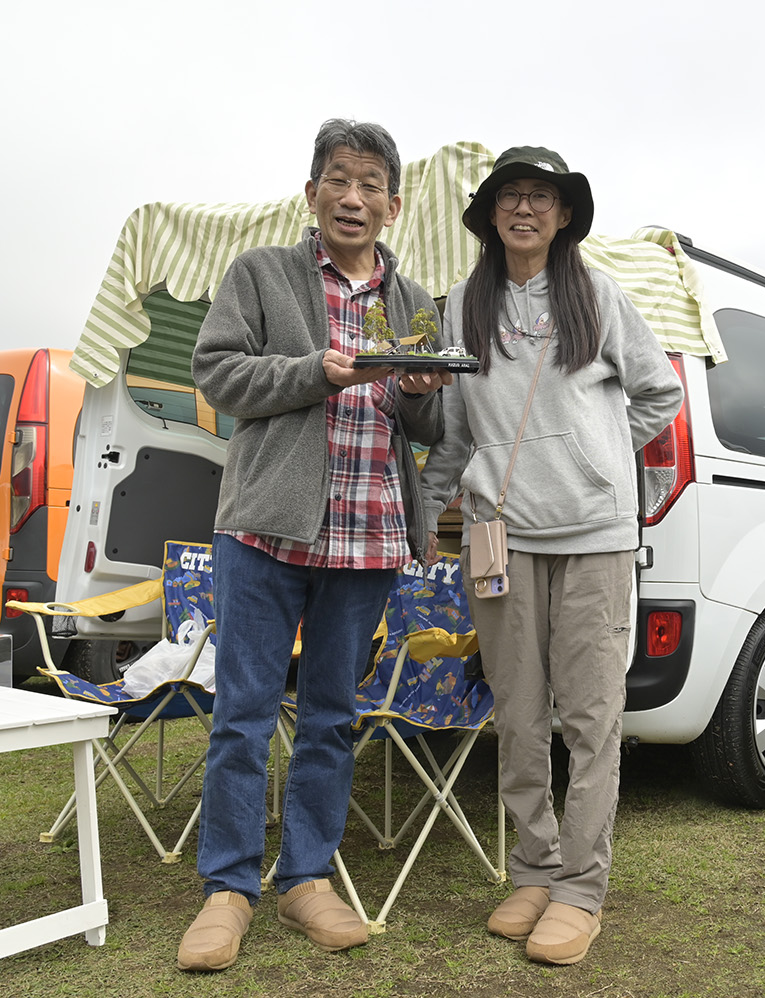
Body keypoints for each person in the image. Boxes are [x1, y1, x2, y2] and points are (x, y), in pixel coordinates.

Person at [178, 118, 451, 972]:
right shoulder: (259, 273)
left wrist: (413, 391)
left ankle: (305, 878)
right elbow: (218, 375)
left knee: (333, 717)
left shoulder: (414, 305)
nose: (354, 198)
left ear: (393, 206)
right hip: (265, 530)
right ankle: (227, 888)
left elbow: (432, 423)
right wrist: (313, 371)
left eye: (371, 186)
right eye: (340, 180)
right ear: (312, 193)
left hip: (369, 537)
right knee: (242, 717)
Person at [419, 147, 684, 965]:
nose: (524, 209)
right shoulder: (462, 304)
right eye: (509, 197)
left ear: (564, 214)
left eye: (540, 197)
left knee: (590, 717)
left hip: (596, 539)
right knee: (519, 714)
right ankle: (534, 868)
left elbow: (659, 392)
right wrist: (431, 509)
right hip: (502, 535)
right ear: (490, 214)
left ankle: (581, 888)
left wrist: (602, 460)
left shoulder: (597, 293)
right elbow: (457, 428)